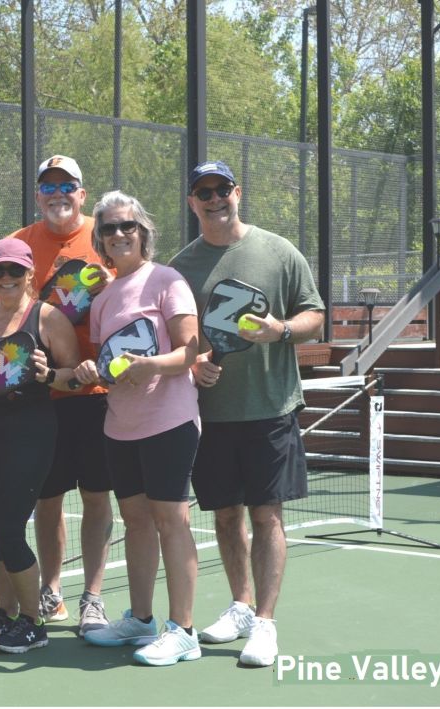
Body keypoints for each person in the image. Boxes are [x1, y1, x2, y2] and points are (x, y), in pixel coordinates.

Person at [169, 161, 325, 667]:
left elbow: (314, 316)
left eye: (221, 189)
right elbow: (176, 339)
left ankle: (265, 624)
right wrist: (192, 366)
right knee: (225, 515)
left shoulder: (279, 252)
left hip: (270, 410)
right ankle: (240, 604)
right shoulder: (181, 266)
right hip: (210, 416)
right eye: (202, 192)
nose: (213, 199)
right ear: (192, 202)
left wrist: (279, 330)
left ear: (237, 192)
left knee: (267, 515)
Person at [0, 155, 112, 635]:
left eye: (67, 185)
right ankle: (51, 591)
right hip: (39, 401)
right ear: (38, 194)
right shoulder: (19, 243)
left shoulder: (108, 234)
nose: (58, 193)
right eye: (48, 185)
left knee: (98, 497)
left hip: (98, 393)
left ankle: (93, 598)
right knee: (49, 500)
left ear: (82, 192)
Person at [73, 191, 202, 666]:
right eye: (109, 228)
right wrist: (91, 371)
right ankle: (142, 620)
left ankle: (183, 629)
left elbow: (189, 350)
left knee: (172, 519)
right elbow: (109, 365)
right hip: (119, 427)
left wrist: (155, 367)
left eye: (127, 226)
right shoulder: (103, 300)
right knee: (135, 521)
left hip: (169, 421)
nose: (119, 234)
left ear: (142, 232)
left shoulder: (168, 280)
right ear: (100, 240)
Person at [0, 238, 80, 653]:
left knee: (10, 528)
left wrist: (48, 374)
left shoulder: (48, 318)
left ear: (30, 275)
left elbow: (74, 377)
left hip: (29, 431)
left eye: (14, 271)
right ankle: (5, 614)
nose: (5, 279)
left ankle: (33, 621)